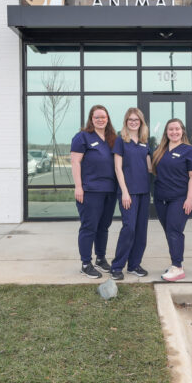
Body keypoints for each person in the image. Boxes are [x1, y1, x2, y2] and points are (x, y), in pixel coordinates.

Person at [151, 118, 192, 282]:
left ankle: (178, 267)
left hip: (180, 199)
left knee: (174, 230)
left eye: (177, 129)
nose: (174, 132)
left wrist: (189, 199)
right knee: (169, 232)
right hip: (161, 199)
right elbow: (154, 171)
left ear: (182, 131)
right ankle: (175, 264)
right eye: (171, 129)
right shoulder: (160, 150)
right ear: (166, 132)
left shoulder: (189, 150)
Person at [70, 105, 117, 279]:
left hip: (109, 190)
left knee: (103, 226)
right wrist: (78, 186)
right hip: (90, 190)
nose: (100, 120)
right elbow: (75, 163)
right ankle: (85, 263)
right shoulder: (82, 137)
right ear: (91, 119)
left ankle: (100, 258)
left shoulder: (112, 138)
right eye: (96, 117)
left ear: (107, 118)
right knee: (89, 227)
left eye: (103, 117)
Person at [109, 108, 153, 281]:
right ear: (126, 122)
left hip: (144, 191)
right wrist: (125, 192)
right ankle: (117, 266)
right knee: (129, 228)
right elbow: (117, 168)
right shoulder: (121, 141)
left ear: (141, 122)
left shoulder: (144, 142)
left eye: (136, 120)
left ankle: (134, 265)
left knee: (141, 230)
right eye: (130, 119)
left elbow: (149, 167)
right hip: (129, 193)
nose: (133, 122)